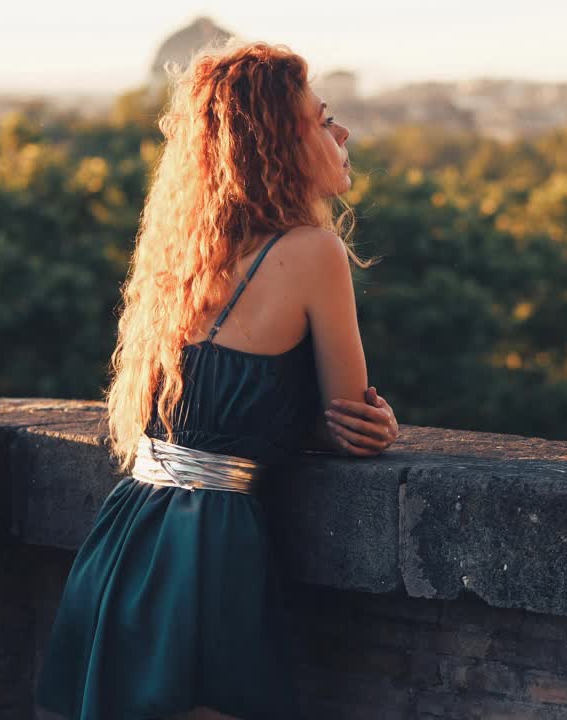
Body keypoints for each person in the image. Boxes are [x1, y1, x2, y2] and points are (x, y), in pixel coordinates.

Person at [34, 41, 400, 720]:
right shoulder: (313, 251)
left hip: (126, 533)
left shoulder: (184, 257)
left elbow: (220, 410)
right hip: (209, 546)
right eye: (322, 120)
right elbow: (350, 418)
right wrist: (377, 426)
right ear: (276, 143)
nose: (341, 133)